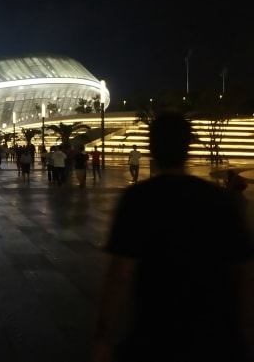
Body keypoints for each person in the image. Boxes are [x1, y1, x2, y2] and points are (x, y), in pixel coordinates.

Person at [93, 111, 254, 362]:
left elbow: (119, 276)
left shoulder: (138, 200)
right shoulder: (220, 199)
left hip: (156, 336)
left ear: (153, 148)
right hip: (215, 337)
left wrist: (103, 337)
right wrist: (244, 330)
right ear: (187, 146)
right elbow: (242, 271)